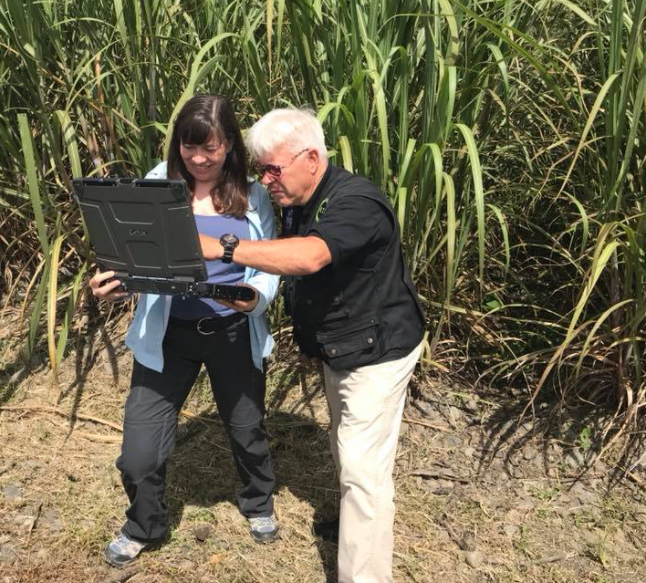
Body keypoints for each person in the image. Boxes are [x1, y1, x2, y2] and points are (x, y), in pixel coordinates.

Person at [199, 108, 426, 583]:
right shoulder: (302, 195)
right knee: (347, 448)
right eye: (261, 169)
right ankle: (352, 525)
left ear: (312, 157)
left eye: (273, 169)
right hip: (344, 346)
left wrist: (220, 246)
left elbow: (308, 257)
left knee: (364, 473)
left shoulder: (356, 202)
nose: (266, 180)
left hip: (377, 352)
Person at [90, 95, 281, 568]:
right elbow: (132, 257)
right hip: (168, 335)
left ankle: (258, 500)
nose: (198, 159)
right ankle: (144, 524)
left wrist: (254, 299)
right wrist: (114, 285)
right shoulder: (158, 183)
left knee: (246, 429)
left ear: (230, 144)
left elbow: (271, 267)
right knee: (138, 451)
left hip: (233, 331)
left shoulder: (254, 195)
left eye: (210, 149)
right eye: (189, 147)